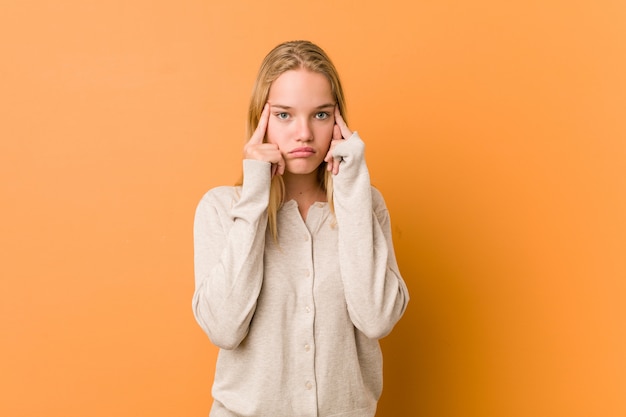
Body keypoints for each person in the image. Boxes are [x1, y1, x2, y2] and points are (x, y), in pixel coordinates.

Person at [192, 40, 409, 417]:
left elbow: (377, 319)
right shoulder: (222, 208)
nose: (304, 133)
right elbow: (224, 329)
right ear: (261, 117)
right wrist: (256, 194)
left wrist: (353, 190)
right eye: (284, 115)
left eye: (321, 115)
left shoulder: (365, 204)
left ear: (338, 121)